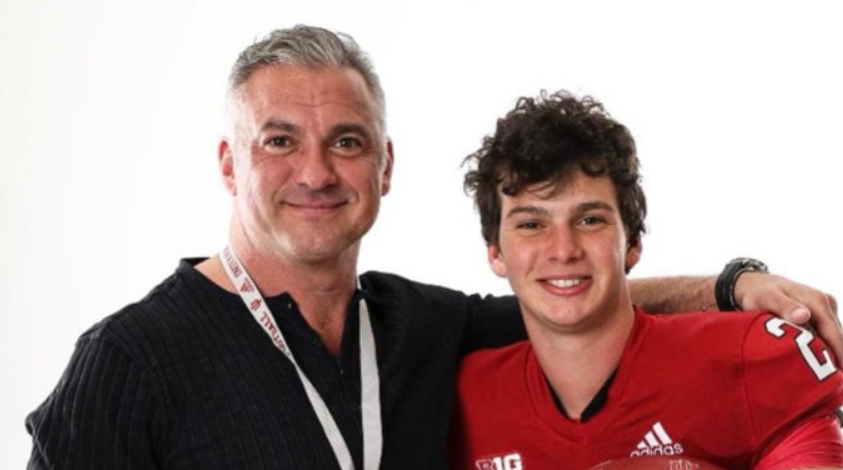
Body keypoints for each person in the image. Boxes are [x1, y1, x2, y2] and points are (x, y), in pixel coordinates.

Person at [25, 26, 839, 470]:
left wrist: (732, 286)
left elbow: (568, 298)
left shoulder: (413, 326)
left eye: (346, 142)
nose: (316, 171)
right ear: (229, 163)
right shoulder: (132, 360)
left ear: (383, 167)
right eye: (279, 140)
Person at [451, 91, 843, 470]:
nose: (563, 250)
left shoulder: (745, 359)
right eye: (531, 224)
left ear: (633, 242)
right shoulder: (459, 398)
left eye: (590, 220)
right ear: (496, 252)